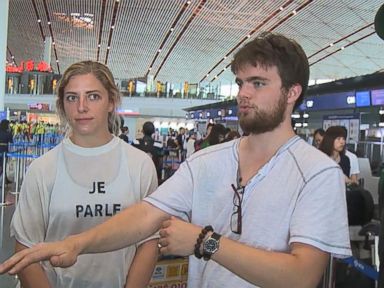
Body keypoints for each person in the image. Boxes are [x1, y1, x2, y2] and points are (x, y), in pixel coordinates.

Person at [0, 33, 351, 288]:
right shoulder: (206, 163)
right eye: (241, 82)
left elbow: (302, 276)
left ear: (292, 93)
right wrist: (76, 244)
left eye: (258, 83)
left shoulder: (317, 173)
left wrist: (204, 242)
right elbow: (145, 217)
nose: (243, 93)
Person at [6, 61, 159, 288]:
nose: (81, 106)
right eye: (72, 97)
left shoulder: (140, 165)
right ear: (62, 104)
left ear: (111, 102)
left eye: (93, 96)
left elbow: (149, 241)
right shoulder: (42, 169)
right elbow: (26, 248)